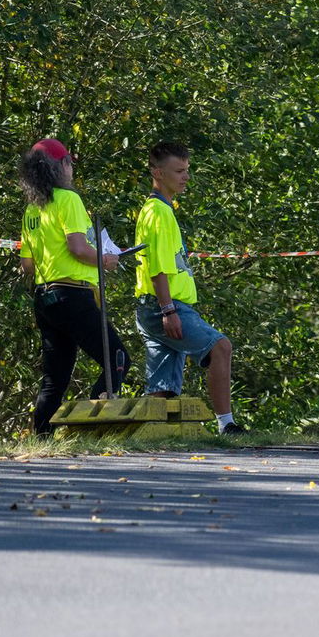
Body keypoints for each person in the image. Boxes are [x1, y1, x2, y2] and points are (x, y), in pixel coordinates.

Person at [17, 138, 129, 435]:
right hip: (73, 293)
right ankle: (91, 428)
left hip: (44, 296)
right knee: (116, 359)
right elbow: (78, 248)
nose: (71, 170)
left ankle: (42, 438)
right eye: (70, 163)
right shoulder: (69, 200)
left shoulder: (32, 209)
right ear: (62, 165)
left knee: (55, 378)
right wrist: (105, 260)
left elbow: (27, 265)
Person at [132, 141, 244, 434]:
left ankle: (152, 434)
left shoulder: (161, 209)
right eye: (178, 171)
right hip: (164, 305)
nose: (186, 176)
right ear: (157, 172)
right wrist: (168, 310)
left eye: (187, 170)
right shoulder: (157, 212)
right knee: (220, 347)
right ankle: (226, 425)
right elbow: (157, 267)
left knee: (164, 384)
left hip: (158, 305)